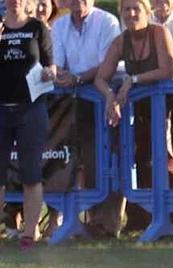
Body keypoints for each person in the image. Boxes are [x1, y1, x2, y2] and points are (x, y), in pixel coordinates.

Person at [94, 0, 173, 234]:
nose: (131, 14)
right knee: (140, 156)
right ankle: (143, 218)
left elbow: (167, 70)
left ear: (148, 12)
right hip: (147, 107)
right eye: (126, 9)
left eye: (136, 8)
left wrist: (133, 80)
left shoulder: (159, 32)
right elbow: (101, 77)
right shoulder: (121, 41)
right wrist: (109, 96)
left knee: (171, 158)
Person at [52, 0, 121, 237]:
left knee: (103, 162)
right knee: (66, 160)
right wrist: (61, 76)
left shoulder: (108, 21)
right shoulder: (59, 25)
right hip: (69, 105)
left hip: (104, 101)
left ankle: (106, 224)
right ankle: (73, 221)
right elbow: (57, 64)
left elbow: (106, 66)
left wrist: (78, 79)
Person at [0, 0, 57, 250]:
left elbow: (49, 64)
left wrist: (50, 73)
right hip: (2, 107)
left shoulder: (37, 27)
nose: (16, 2)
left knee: (31, 172)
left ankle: (29, 232)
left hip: (31, 108)